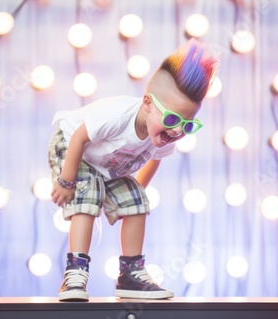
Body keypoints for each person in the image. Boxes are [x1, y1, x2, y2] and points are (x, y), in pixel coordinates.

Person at [48, 38, 217, 301]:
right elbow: (79, 137)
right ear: (148, 104)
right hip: (72, 147)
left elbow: (154, 160)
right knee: (88, 195)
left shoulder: (162, 137)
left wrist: (133, 194)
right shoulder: (117, 115)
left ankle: (130, 274)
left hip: (106, 166)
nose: (176, 131)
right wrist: (66, 181)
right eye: (172, 119)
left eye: (187, 124)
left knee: (138, 201)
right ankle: (76, 270)